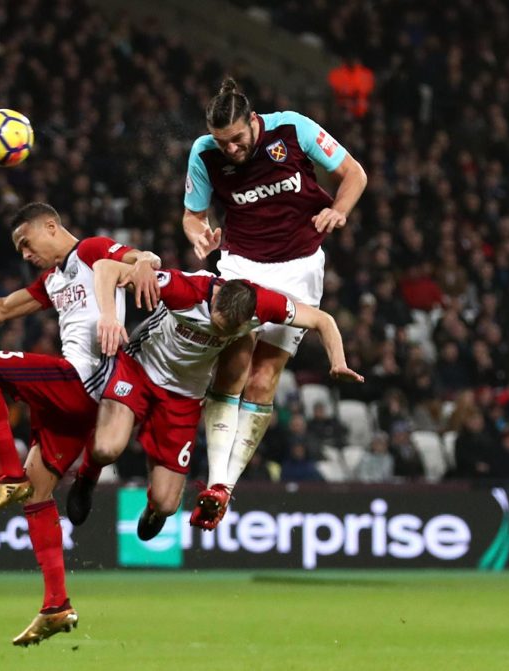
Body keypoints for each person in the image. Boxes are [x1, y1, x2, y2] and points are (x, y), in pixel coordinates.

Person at [0, 202, 160, 646]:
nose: (24, 253)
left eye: (26, 242)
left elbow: (138, 259)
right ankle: (56, 605)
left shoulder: (92, 251)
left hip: (82, 381)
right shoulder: (53, 281)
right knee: (38, 495)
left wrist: (148, 262)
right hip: (73, 405)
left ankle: (7, 472)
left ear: (52, 227)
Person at [182, 77, 368, 528]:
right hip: (242, 265)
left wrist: (339, 209)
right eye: (223, 142)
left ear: (253, 121)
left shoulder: (294, 130)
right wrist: (199, 236)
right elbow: (192, 215)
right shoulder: (203, 152)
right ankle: (218, 483)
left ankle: (223, 485)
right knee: (234, 366)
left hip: (299, 268)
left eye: (238, 139)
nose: (230, 149)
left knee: (264, 381)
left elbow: (354, 174)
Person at [84, 260, 362, 539]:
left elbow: (322, 319)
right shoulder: (184, 288)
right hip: (142, 370)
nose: (217, 334)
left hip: (184, 394)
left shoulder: (265, 305)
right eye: (216, 325)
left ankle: (154, 509)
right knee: (107, 449)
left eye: (226, 332)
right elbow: (106, 267)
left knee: (167, 505)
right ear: (215, 300)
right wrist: (110, 315)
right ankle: (87, 475)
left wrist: (338, 361)